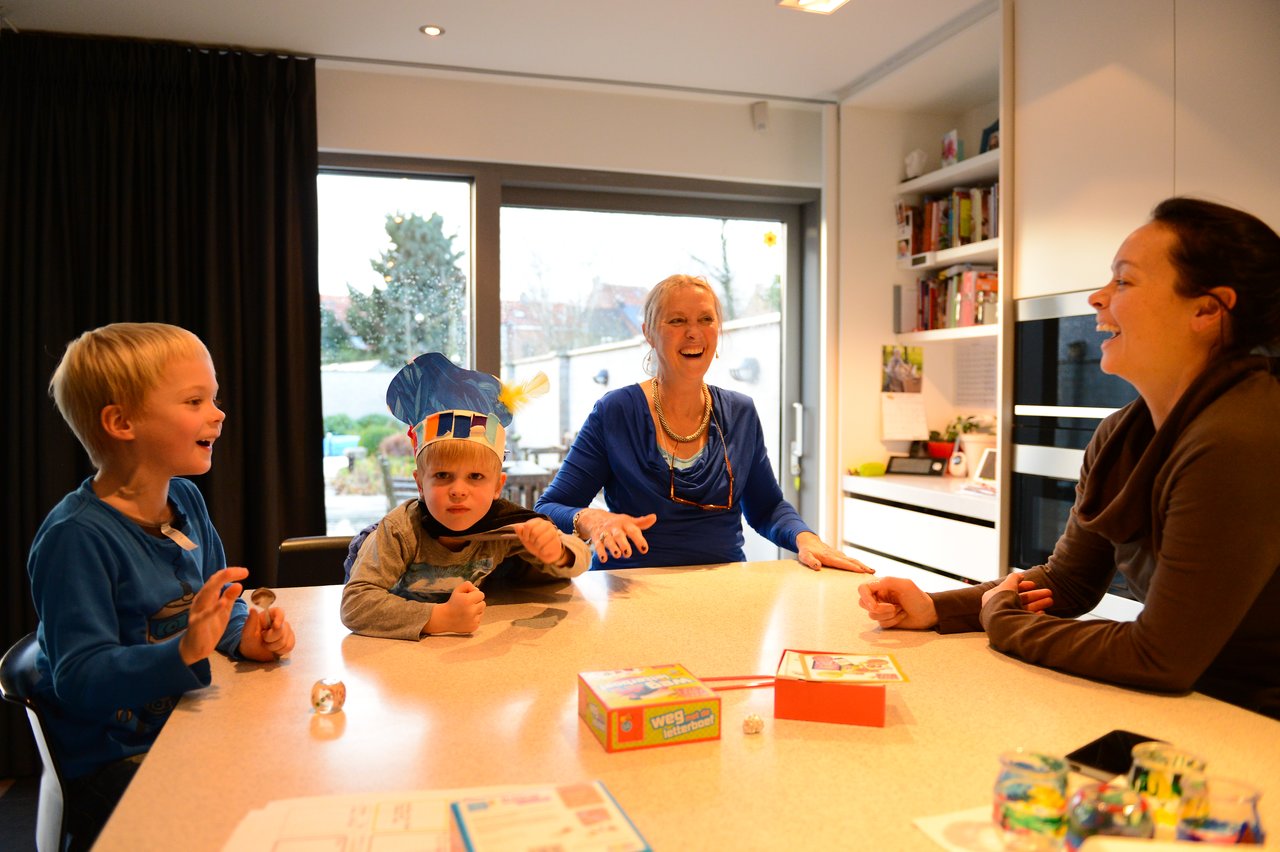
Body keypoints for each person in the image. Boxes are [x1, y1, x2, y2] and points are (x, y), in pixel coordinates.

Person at [858, 197, 1280, 719]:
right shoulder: (1121, 435)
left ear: (1207, 310)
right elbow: (1068, 582)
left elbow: (1159, 657)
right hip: (1198, 712)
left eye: (1123, 282)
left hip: (1256, 729)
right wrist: (935, 609)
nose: (1097, 298)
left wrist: (1003, 621)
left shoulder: (1242, 437)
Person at [28, 322, 296, 850]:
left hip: (185, 727)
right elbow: (78, 679)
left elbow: (218, 605)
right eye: (195, 401)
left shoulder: (186, 501)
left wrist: (244, 635)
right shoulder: (75, 539)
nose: (217, 414)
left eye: (213, 398)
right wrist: (186, 649)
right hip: (117, 757)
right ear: (121, 422)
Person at [536, 273, 871, 573]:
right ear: (649, 333)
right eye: (677, 320)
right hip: (630, 592)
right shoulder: (616, 411)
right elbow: (548, 508)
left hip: (723, 595)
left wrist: (805, 537)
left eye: (705, 319)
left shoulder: (740, 412)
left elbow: (767, 507)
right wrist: (589, 518)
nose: (693, 333)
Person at [341, 353, 590, 639]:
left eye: (475, 477)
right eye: (443, 476)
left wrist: (557, 552)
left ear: (498, 486)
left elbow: (582, 557)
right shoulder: (400, 532)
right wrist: (437, 618)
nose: (459, 490)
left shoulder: (505, 525)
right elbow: (354, 604)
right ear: (420, 483)